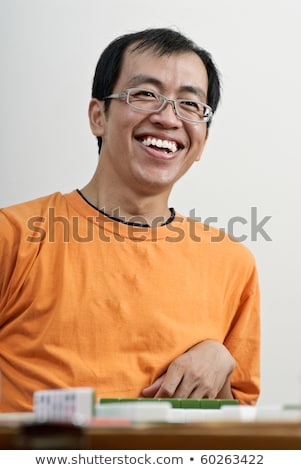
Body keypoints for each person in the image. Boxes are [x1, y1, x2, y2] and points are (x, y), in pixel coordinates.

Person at [0, 27, 260, 412]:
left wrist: (219, 360)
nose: (168, 118)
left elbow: (236, 433)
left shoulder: (232, 265)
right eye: (145, 95)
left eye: (189, 105)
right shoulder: (13, 236)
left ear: (202, 139)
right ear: (97, 117)